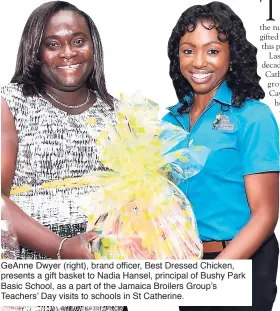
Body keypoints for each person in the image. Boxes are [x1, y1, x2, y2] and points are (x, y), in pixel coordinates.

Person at [1, 1, 126, 310]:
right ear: (35, 51)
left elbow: (133, 199)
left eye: (78, 41)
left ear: (92, 46)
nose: (68, 52)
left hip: (102, 285)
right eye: (52, 44)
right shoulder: (10, 103)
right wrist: (60, 248)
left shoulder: (117, 113)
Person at [163, 1, 279, 311]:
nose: (199, 62)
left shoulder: (253, 116)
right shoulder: (167, 122)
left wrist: (211, 279)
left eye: (212, 50)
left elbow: (265, 216)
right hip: (188, 264)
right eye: (188, 51)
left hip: (241, 262)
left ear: (232, 54)